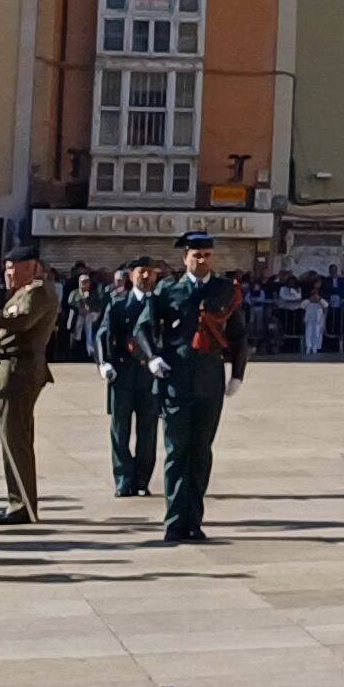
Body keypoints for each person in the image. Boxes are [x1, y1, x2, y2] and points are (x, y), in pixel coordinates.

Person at [135, 231, 248, 546]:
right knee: (176, 452)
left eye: (207, 255)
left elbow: (239, 335)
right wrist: (152, 359)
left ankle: (194, 522)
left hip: (210, 381)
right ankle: (174, 522)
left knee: (200, 453)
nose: (202, 260)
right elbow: (143, 327)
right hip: (176, 381)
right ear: (184, 258)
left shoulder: (224, 290)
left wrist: (237, 374)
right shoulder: (169, 290)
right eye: (196, 255)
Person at [0, 245, 60, 526]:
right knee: (12, 439)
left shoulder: (38, 292)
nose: (8, 273)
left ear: (32, 266)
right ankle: (18, 500)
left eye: (13, 267)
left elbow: (23, 322)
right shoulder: (23, 292)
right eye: (6, 268)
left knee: (16, 440)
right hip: (10, 370)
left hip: (20, 371)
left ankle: (22, 504)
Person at [100, 256, 161, 496]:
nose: (145, 276)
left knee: (148, 430)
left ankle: (142, 481)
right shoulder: (118, 303)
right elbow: (103, 332)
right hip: (123, 374)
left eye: (149, 272)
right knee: (119, 429)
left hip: (150, 376)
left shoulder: (159, 303)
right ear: (131, 275)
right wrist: (104, 362)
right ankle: (123, 479)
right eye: (140, 272)